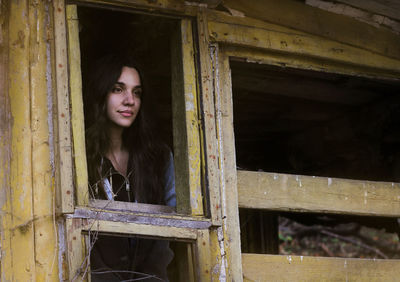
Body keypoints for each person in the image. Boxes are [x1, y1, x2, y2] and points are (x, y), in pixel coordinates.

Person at [84, 54, 176, 281]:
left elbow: (169, 231)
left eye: (137, 92)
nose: (129, 100)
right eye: (118, 89)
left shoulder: (158, 157)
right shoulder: (80, 156)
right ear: (100, 94)